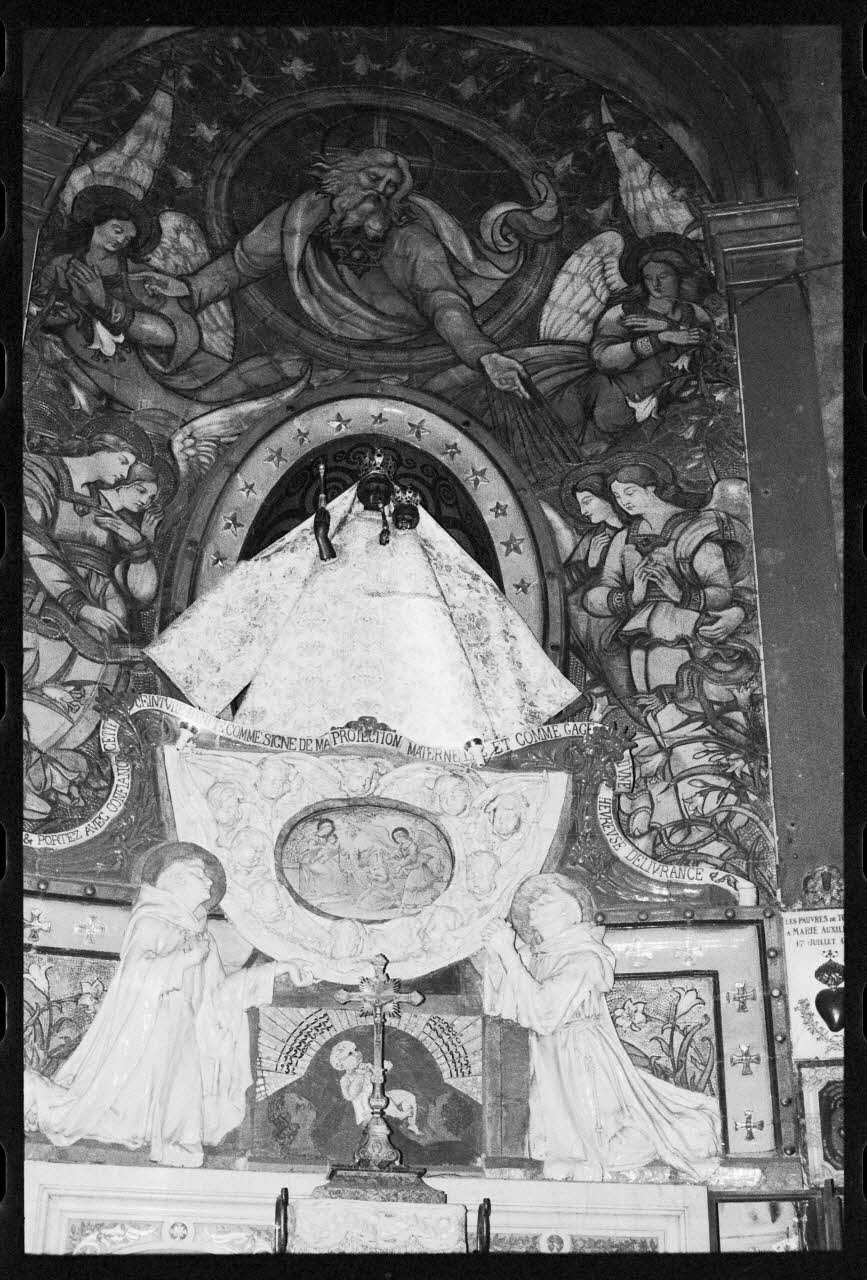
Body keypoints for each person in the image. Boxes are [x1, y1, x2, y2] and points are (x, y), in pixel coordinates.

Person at [183, 147, 559, 397]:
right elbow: (239, 265)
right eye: (373, 178)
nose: (380, 190)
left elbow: (444, 302)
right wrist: (187, 293)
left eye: (391, 187)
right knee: (218, 391)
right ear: (345, 175)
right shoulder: (299, 219)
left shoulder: (412, 242)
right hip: (317, 357)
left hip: (397, 364)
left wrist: (483, 355)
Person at [24, 841, 312, 1167]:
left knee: (170, 1095)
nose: (208, 883)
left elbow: (219, 996)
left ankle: (173, 1142)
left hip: (187, 1025)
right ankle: (36, 1092)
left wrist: (275, 971)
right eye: (199, 874)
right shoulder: (151, 922)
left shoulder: (201, 934)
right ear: (174, 879)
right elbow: (136, 976)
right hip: (150, 1028)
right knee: (122, 1110)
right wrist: (184, 959)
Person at [482, 873, 721, 1179]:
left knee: (598, 1130)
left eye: (545, 899)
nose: (534, 905)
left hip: (581, 1053)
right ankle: (575, 1157)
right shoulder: (540, 957)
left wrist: (508, 955)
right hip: (551, 1052)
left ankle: (673, 1137)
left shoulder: (584, 957)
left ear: (569, 912)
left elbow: (543, 1012)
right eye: (533, 900)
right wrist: (498, 954)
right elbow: (501, 1004)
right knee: (558, 1131)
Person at [29, 185, 301, 421]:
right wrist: (63, 314)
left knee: (198, 401)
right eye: (117, 229)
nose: (121, 239)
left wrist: (102, 300)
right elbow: (37, 309)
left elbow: (171, 332)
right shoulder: (61, 265)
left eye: (127, 238)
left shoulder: (137, 275)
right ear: (96, 223)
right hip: (87, 353)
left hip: (139, 361)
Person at [329, 1039, 420, 1135]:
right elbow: (350, 1096)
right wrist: (360, 1075)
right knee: (382, 1098)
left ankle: (411, 1124)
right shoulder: (345, 1079)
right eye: (350, 1053)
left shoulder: (365, 1067)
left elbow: (377, 1077)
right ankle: (399, 1114)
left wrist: (383, 1068)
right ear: (341, 1063)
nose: (357, 1054)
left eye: (356, 1050)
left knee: (409, 1097)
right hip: (367, 1108)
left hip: (379, 1096)